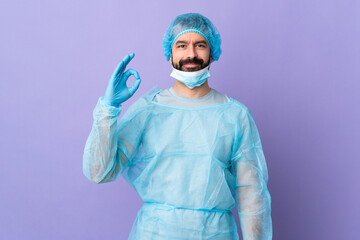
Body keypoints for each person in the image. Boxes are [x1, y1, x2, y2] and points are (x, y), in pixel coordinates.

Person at [83, 13, 272, 240]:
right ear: (169, 53)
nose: (191, 54)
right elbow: (99, 172)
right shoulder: (148, 111)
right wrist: (108, 109)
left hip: (216, 234)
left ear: (212, 52)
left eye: (200, 45)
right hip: (155, 233)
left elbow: (252, 195)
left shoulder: (235, 115)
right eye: (181, 45)